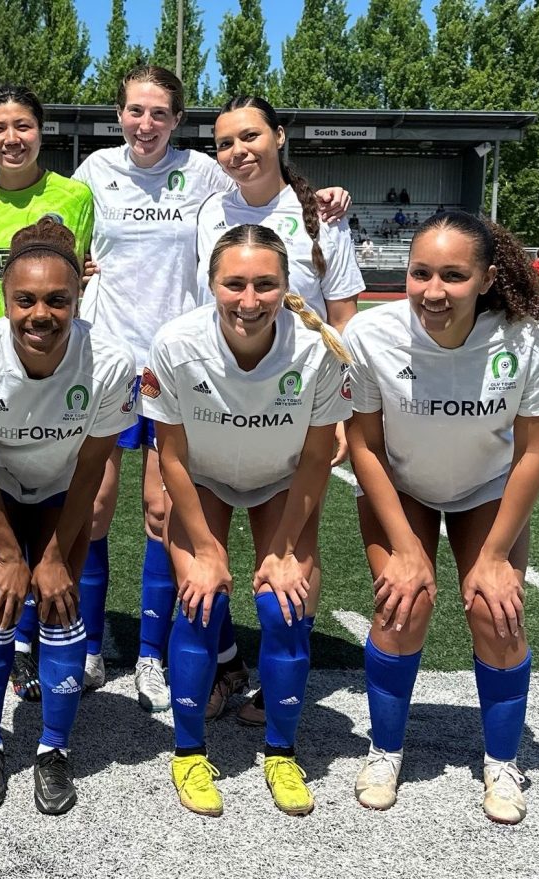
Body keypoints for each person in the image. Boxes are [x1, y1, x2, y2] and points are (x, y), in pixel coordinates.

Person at [69, 69, 349, 714]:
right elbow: (65, 236)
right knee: (109, 509)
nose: (146, 123)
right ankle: (126, 649)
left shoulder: (208, 176)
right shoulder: (95, 173)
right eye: (135, 111)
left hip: (226, 378)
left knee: (174, 515)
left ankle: (154, 653)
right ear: (119, 115)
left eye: (159, 112)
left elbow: (275, 195)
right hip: (126, 361)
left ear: (176, 120)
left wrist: (326, 197)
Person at [344, 210, 539, 825]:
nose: (433, 292)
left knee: (497, 613)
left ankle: (502, 762)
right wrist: (406, 549)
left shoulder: (530, 335)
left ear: (489, 278)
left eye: (453, 276)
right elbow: (362, 443)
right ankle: (384, 750)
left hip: (487, 486)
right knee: (402, 602)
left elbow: (535, 450)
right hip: (402, 484)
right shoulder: (371, 334)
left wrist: (495, 557)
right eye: (420, 273)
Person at [144, 223, 350, 817]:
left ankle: (280, 752)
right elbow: (173, 455)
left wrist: (285, 550)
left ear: (287, 287)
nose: (249, 300)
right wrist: (206, 549)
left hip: (280, 481)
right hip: (202, 478)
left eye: (265, 284)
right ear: (211, 284)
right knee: (201, 600)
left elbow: (316, 458)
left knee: (282, 607)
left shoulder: (318, 348)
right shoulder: (177, 344)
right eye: (234, 284)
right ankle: (187, 753)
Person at [0, 218, 135, 814]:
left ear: (78, 299)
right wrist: (11, 556)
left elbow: (91, 470)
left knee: (61, 604)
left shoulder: (112, 361)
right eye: (25, 300)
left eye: (57, 300)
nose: (40, 314)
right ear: (5, 300)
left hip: (59, 487)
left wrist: (49, 558)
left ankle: (53, 750)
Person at [197, 94, 363, 722]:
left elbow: (344, 317)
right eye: (225, 142)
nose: (238, 151)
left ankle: (277, 677)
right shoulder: (210, 210)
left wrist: (344, 409)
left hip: (301, 399)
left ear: (280, 135)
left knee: (293, 546)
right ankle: (218, 670)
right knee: (202, 538)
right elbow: (203, 299)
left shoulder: (318, 213)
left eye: (250, 136)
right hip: (221, 395)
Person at [0, 84, 95, 701]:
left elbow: (72, 279)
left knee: (79, 501)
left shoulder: (75, 196)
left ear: (42, 131)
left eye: (23, 126)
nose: (11, 138)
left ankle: (57, 646)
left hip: (54, 367)